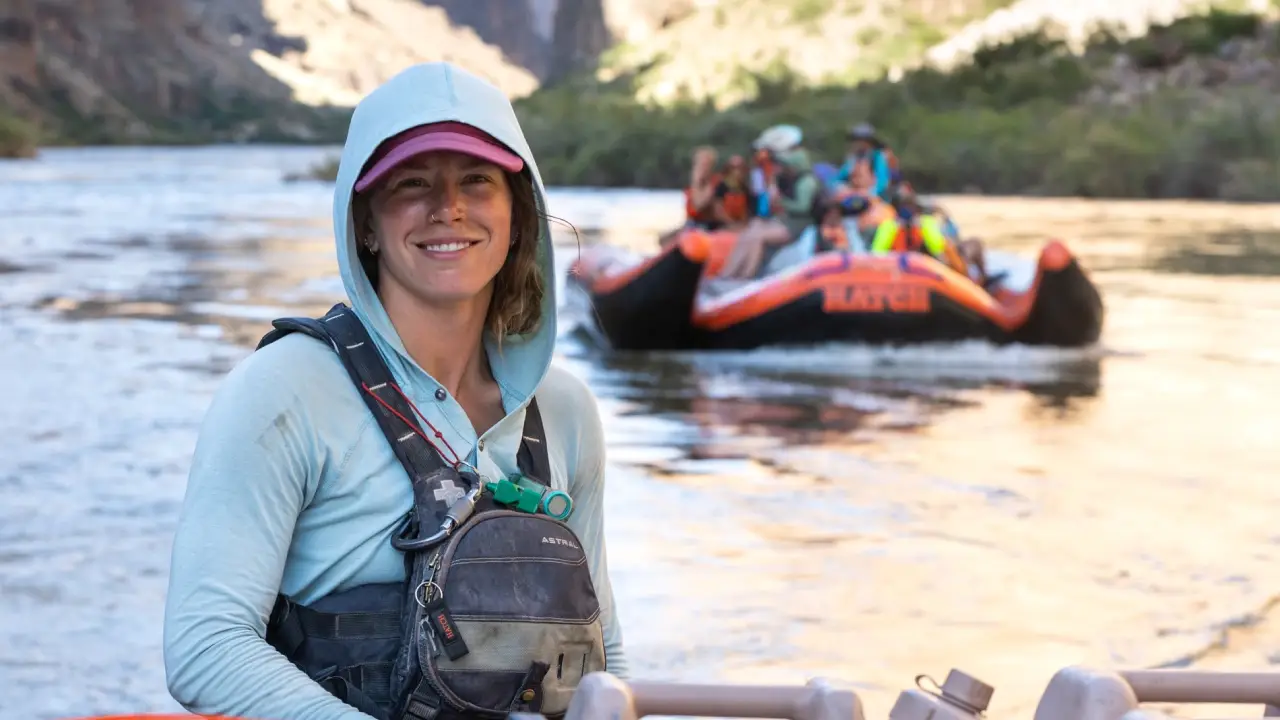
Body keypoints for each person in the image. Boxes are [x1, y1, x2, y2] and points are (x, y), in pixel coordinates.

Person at [163, 62, 628, 720]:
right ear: (365, 225)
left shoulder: (565, 411)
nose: (449, 208)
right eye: (412, 185)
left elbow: (602, 651)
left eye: (477, 181)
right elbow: (204, 646)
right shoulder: (282, 390)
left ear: (518, 217)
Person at [716, 126, 821, 280]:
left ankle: (746, 276)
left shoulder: (806, 179)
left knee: (757, 235)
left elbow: (801, 208)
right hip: (785, 221)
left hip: (797, 225)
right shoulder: (783, 176)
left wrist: (780, 201)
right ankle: (727, 275)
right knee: (752, 229)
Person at [834, 122, 899, 201]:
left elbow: (882, 181)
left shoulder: (877, 157)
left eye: (859, 139)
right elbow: (840, 177)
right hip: (854, 196)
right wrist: (841, 188)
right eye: (855, 139)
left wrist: (869, 193)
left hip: (875, 199)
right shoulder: (853, 158)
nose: (856, 143)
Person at [713, 154, 755, 227]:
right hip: (723, 227)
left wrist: (742, 225)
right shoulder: (721, 186)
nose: (737, 171)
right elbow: (718, 210)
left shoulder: (745, 188)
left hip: (741, 227)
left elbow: (746, 212)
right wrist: (732, 224)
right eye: (733, 168)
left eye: (740, 167)